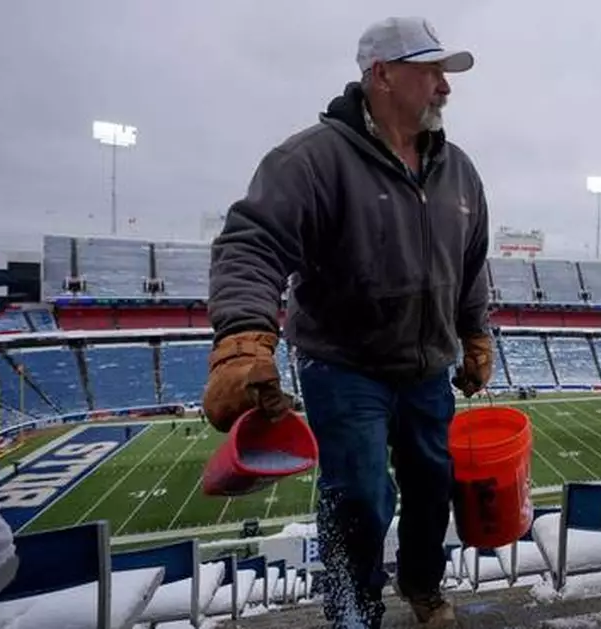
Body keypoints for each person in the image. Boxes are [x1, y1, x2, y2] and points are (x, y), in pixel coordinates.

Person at [201, 15, 492, 629]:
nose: (445, 87)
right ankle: (353, 610)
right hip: (344, 364)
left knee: (432, 487)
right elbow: (252, 245)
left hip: (427, 367)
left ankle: (423, 585)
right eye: (430, 71)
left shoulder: (460, 169)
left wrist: (474, 335)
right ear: (381, 75)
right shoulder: (310, 160)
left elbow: (470, 264)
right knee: (358, 495)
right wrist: (243, 340)